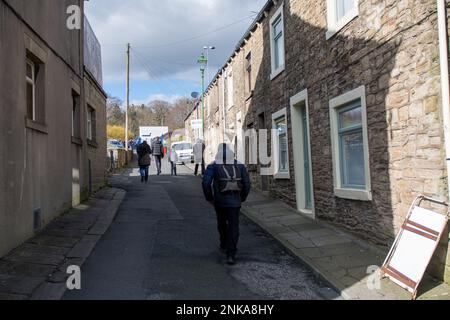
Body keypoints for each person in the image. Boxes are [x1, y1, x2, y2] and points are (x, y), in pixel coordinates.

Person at [202, 143, 251, 265]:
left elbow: (206, 183)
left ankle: (224, 244)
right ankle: (231, 254)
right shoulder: (239, 165)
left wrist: (209, 198)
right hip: (235, 202)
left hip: (220, 202)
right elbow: (247, 183)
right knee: (234, 226)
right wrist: (242, 197)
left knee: (222, 223)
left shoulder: (213, 165)